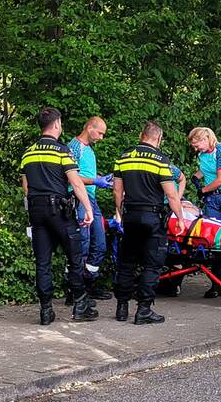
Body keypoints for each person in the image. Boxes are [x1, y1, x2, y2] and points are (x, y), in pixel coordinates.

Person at [21, 107, 97, 325]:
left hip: (36, 211)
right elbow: (76, 182)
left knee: (42, 262)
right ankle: (80, 305)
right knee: (74, 256)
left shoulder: (28, 153)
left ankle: (46, 310)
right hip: (59, 211)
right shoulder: (62, 151)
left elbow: (26, 187)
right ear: (56, 124)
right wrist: (88, 209)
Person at [113, 121, 186, 324]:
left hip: (130, 216)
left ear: (141, 135)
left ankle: (121, 308)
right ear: (159, 138)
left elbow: (117, 191)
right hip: (152, 217)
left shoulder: (124, 157)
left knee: (126, 263)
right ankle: (143, 310)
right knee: (152, 265)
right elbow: (171, 195)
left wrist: (120, 213)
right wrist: (180, 218)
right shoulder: (161, 160)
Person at [66, 117, 113, 302]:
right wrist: (95, 181)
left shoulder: (89, 150)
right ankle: (74, 290)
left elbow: (86, 174)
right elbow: (71, 177)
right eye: (100, 133)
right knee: (82, 246)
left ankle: (89, 283)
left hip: (92, 201)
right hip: (79, 200)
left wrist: (101, 179)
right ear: (89, 128)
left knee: (100, 245)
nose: (101, 137)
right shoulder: (74, 147)